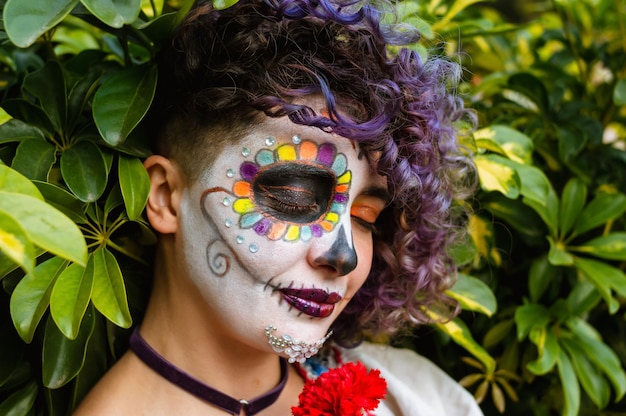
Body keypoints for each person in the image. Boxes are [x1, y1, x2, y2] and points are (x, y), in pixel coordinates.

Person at [74, 0, 482, 414]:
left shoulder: (417, 398)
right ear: (163, 197)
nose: (344, 255)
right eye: (295, 197)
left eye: (365, 218)